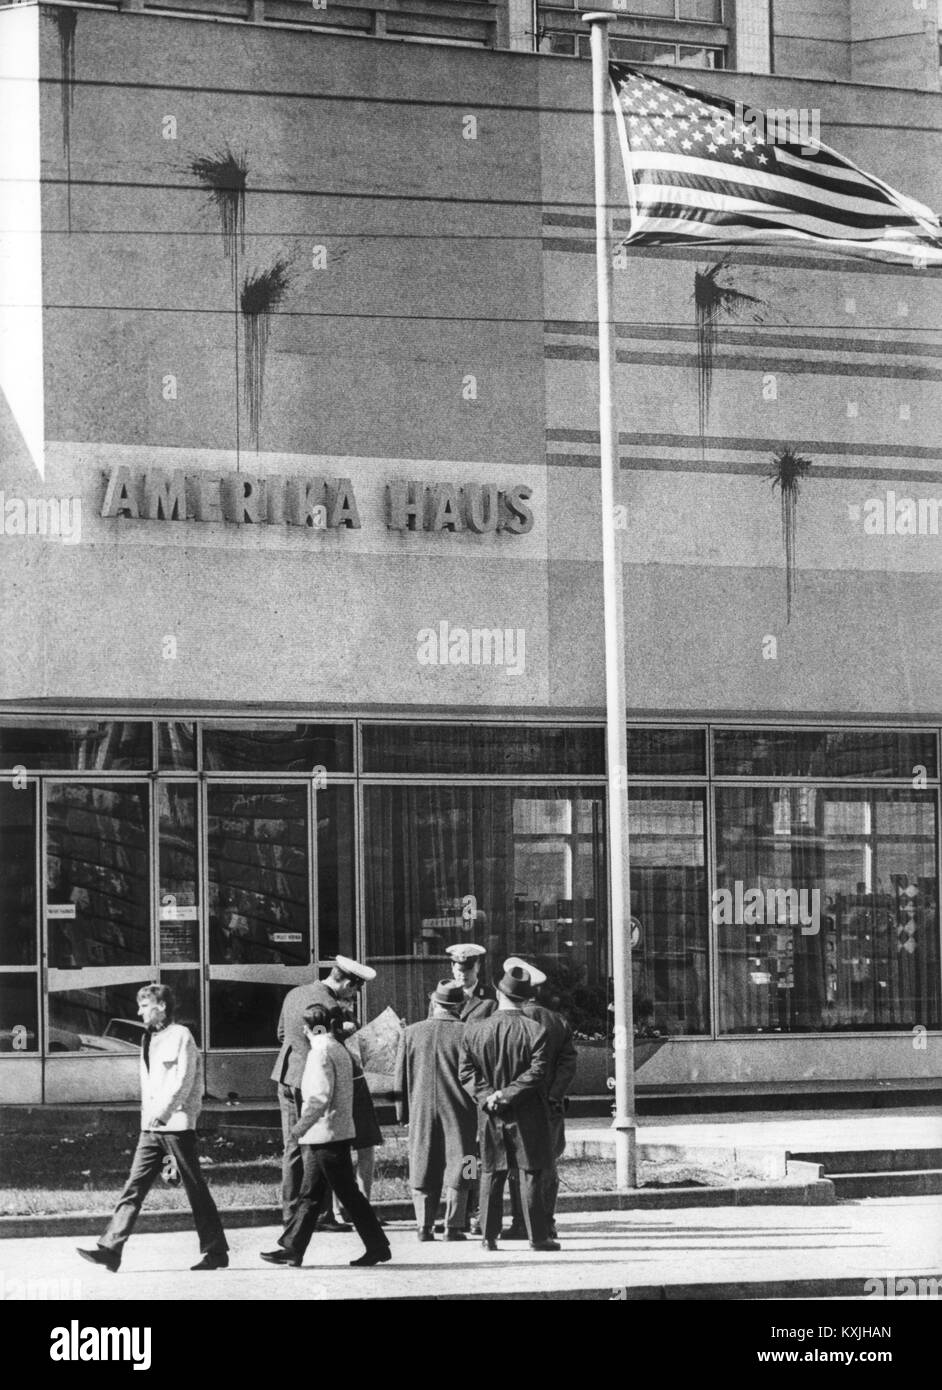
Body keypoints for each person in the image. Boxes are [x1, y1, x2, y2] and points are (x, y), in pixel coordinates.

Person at [77, 983, 228, 1273]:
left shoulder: (181, 1036)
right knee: (134, 1186)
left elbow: (184, 1081)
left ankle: (216, 1251)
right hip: (152, 1126)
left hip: (176, 1125)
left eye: (144, 1006)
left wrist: (165, 1113)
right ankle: (111, 1248)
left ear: (160, 1006)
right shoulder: (148, 1038)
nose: (139, 1011)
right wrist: (152, 1118)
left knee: (194, 1189)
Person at [260, 1003, 391, 1269]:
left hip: (323, 1135)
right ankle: (293, 1248)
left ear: (310, 1028)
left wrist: (298, 1128)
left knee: (343, 1194)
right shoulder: (337, 1048)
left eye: (305, 1027)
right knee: (313, 1194)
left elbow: (318, 1097)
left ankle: (376, 1246)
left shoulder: (319, 1053)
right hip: (333, 1132)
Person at [459, 965, 558, 1253]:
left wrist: (489, 1095)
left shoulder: (475, 1031)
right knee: (531, 1172)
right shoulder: (536, 1031)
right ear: (526, 999)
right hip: (527, 1111)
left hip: (489, 1113)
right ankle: (537, 1236)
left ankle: (488, 1237)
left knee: (491, 1171)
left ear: (498, 993)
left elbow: (465, 1072)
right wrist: (508, 1094)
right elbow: (538, 1073)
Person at [271, 955, 375, 1227]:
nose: (353, 995)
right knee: (321, 1146)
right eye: (355, 989)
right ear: (348, 983)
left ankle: (292, 1214)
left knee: (293, 1148)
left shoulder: (294, 993)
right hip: (312, 1082)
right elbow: (331, 1047)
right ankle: (318, 1214)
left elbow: (282, 1033)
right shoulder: (330, 1006)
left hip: (286, 1075)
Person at [395, 980, 479, 1241]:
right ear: (461, 1006)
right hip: (462, 1111)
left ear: (435, 1003)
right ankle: (455, 1224)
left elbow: (401, 1078)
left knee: (422, 1162)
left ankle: (424, 1225)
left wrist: (403, 1114)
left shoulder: (411, 1032)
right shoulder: (470, 1032)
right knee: (466, 1162)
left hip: (421, 1109)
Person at [501, 958, 578, 1242]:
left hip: (515, 1106)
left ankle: (521, 1221)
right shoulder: (556, 1021)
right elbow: (568, 1064)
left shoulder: (507, 1022)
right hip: (549, 1108)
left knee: (515, 1166)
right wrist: (554, 1096)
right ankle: (546, 1222)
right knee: (546, 1167)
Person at [436, 942, 497, 1022]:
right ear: (452, 967)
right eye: (460, 970)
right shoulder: (440, 997)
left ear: (478, 967)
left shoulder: (490, 998)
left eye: (468, 970)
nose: (463, 974)